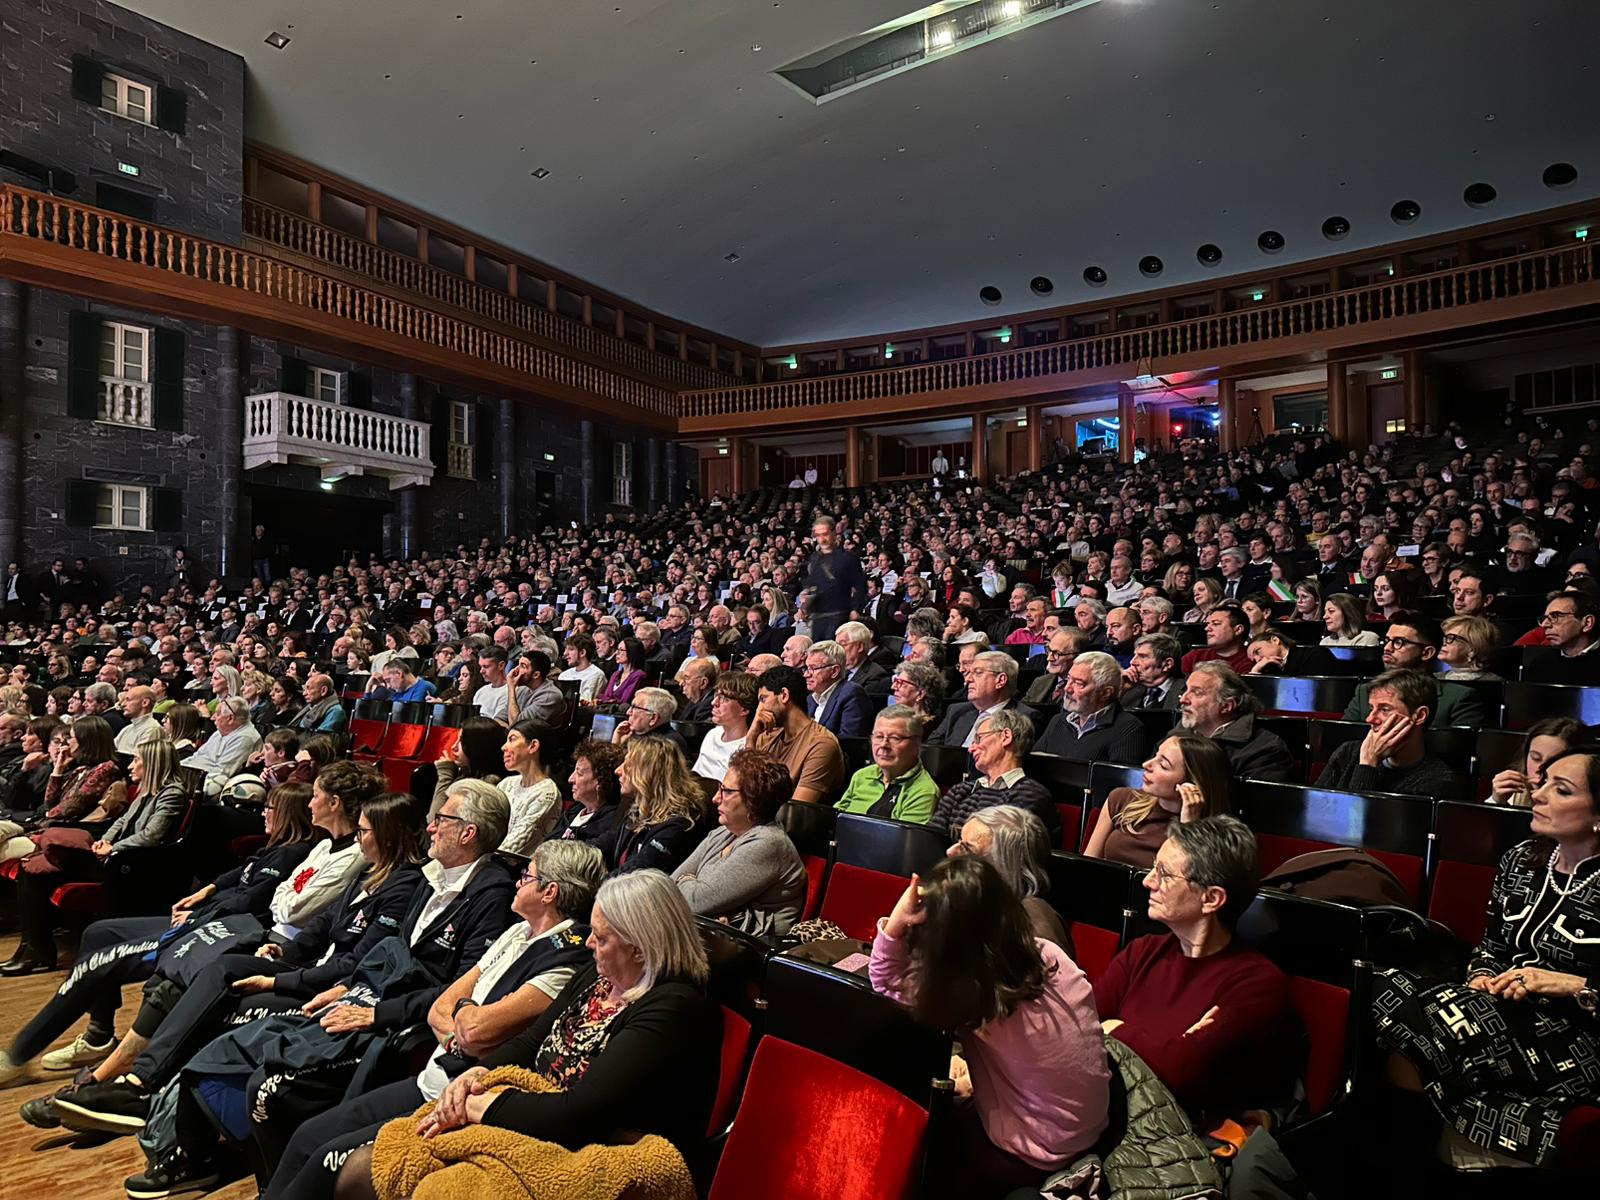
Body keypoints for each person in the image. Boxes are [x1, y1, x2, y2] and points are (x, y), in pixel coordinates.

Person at [50, 789, 422, 1139]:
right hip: (301, 962)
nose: (358, 839)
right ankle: (136, 1082)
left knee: (224, 971)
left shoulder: (402, 887)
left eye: (365, 831)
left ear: (388, 836)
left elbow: (356, 964)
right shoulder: (367, 874)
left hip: (329, 985)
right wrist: (281, 955)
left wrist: (276, 982)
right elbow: (320, 927)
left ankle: (140, 1083)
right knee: (201, 971)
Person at [327, 870, 721, 1200]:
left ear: (641, 948)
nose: (588, 944)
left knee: (414, 1185)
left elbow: (581, 1114)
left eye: (601, 938)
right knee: (362, 1168)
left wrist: (477, 1107)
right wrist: (472, 1077)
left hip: (597, 1150)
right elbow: (533, 1039)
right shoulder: (599, 975)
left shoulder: (673, 1008)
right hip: (538, 1112)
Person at [261, 840, 605, 1200]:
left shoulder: (566, 958)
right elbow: (440, 1008)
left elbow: (476, 1029)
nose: (519, 881)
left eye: (527, 875)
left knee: (325, 1165)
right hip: (431, 1076)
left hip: (457, 1102)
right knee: (308, 1136)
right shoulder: (517, 931)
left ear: (550, 891)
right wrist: (465, 1022)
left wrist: (465, 1018)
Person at [0, 782, 318, 1096]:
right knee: (99, 933)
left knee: (98, 963)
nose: (263, 813)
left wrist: (195, 916)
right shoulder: (273, 847)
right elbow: (238, 876)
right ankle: (99, 1034)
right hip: (202, 917)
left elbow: (253, 902)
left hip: (213, 930)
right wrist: (204, 892)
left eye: (270, 808)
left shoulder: (294, 854)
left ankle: (18, 1055)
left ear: (289, 814)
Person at [1371, 744, 1600, 1167]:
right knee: (1378, 982)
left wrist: (1572, 985)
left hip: (1580, 1036)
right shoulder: (1521, 861)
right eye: (1543, 781)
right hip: (1503, 1012)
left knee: (1417, 1032)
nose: (1539, 794)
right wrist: (1481, 976)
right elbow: (1491, 948)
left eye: (1562, 789)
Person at [870, 857, 1110, 1194]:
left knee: (915, 1140)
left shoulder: (974, 998)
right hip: (1091, 1126)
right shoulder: (1047, 952)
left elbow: (883, 979)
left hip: (1039, 1152)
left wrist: (896, 922)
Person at [1095, 816, 1297, 1127]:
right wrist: (1162, 1044)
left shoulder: (1255, 984)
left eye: (1164, 873)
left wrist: (1114, 1028)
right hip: (1113, 1113)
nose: (1148, 881)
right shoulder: (1143, 951)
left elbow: (1183, 1071)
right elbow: (1083, 1023)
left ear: (1212, 898)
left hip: (1177, 1140)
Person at [6, 739, 186, 977]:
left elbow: (152, 836)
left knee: (42, 866)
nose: (130, 766)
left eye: (136, 760)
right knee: (30, 872)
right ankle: (31, 948)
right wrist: (106, 841)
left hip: (133, 865)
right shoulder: (147, 791)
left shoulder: (171, 793)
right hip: (116, 856)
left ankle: (37, 951)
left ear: (153, 763)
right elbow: (121, 822)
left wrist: (112, 849)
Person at [672, 747, 806, 936]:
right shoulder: (722, 833)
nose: (715, 798)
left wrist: (688, 881)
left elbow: (694, 902)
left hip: (752, 950)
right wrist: (693, 886)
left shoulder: (769, 843)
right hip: (709, 935)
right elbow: (669, 886)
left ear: (754, 799)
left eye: (726, 792)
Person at [1083, 733, 1231, 869]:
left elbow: (1185, 884)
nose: (1146, 765)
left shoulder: (1216, 835)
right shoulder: (1121, 799)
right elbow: (1086, 866)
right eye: (1155, 755)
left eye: (1163, 765)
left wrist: (1189, 826)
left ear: (1192, 783)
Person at [1315, 669, 1463, 798]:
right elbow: (1315, 813)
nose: (1370, 719)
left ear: (1419, 716)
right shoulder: (1347, 752)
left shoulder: (1438, 782)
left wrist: (1368, 764)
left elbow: (1356, 825)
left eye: (1385, 710)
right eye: (1371, 708)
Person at [0, 716, 121, 869]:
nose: (66, 743)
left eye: (70, 737)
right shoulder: (81, 769)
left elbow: (71, 806)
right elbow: (49, 802)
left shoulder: (105, 769)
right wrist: (58, 770)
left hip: (60, 833)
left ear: (85, 740)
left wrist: (45, 815)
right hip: (41, 825)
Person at [946, 805, 1071, 951]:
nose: (950, 852)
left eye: (967, 848)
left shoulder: (1035, 925)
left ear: (1006, 868)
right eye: (959, 840)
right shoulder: (974, 902)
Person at [1341, 612, 1489, 728]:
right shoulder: (1363, 692)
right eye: (1387, 641)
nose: (1387, 648)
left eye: (1399, 642)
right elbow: (1344, 746)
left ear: (1426, 653)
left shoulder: (1459, 698)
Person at [931, 708, 1057, 840]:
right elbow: (930, 839)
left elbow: (999, 848)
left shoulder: (1031, 795)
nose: (971, 748)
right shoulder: (960, 791)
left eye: (978, 739)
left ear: (1006, 737)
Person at [1177, 662, 1296, 783]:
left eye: (1197, 692)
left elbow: (1253, 801)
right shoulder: (1178, 732)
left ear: (1226, 706)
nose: (1183, 699)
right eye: (1186, 689)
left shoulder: (1265, 751)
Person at [746, 664, 845, 804]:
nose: (759, 710)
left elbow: (797, 810)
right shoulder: (765, 736)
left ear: (784, 695)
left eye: (763, 699)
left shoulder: (821, 744)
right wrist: (751, 738)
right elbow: (744, 788)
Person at [610, 735, 709, 873]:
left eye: (628, 765)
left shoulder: (679, 824)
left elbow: (637, 871)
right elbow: (607, 842)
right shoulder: (640, 808)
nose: (618, 771)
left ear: (648, 772)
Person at [1035, 651, 1148, 764]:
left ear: (1105, 693)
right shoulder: (1058, 721)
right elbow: (1035, 764)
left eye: (1079, 683)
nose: (1067, 689)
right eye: (1069, 679)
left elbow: (1118, 779)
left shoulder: (1128, 729)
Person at [835, 705, 940, 823]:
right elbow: (835, 820)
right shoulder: (862, 776)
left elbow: (901, 840)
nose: (884, 745)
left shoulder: (923, 792)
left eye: (895, 738)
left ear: (916, 744)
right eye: (879, 737)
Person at [926, 650, 1026, 749]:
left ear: (1000, 680)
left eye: (978, 673)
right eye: (970, 673)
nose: (968, 679)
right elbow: (931, 750)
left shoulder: (1023, 718)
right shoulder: (957, 711)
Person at [497, 719, 563, 856]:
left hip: (515, 868)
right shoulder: (507, 783)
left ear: (533, 746)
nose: (504, 747)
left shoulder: (547, 792)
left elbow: (515, 844)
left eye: (512, 739)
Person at [550, 739, 627, 854]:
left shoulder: (609, 822)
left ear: (601, 780)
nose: (571, 779)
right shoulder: (574, 810)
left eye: (579, 773)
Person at [1488, 716, 1585, 807]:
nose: (1540, 769)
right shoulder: (1517, 792)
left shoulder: (1579, 804)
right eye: (1536, 758)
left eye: (1552, 762)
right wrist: (1498, 803)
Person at [182, 696, 264, 798]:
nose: (212, 717)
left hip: (204, 785)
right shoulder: (220, 732)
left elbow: (221, 774)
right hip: (189, 776)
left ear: (230, 718)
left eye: (218, 714)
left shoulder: (245, 738)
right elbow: (197, 756)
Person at [802, 515, 868, 642]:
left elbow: (860, 586)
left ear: (834, 532)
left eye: (825, 534)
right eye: (818, 535)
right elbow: (812, 584)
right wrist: (805, 597)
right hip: (817, 616)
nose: (822, 539)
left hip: (839, 614)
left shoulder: (848, 558)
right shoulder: (814, 558)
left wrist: (855, 609)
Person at [427, 714, 506, 819]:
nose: (453, 747)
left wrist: (445, 775)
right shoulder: (466, 772)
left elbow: (435, 820)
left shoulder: (489, 783)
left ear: (476, 747)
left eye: (461, 742)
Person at [1522, 588, 1600, 684]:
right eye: (1545, 618)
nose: (1545, 625)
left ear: (1587, 623)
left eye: (1555, 616)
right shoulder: (1541, 665)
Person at [690, 669, 754, 782]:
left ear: (744, 709)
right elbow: (696, 775)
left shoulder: (747, 747)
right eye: (716, 695)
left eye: (724, 698)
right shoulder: (713, 734)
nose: (714, 703)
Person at [802, 639, 872, 739]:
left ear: (834, 671)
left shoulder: (852, 694)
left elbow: (850, 741)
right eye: (807, 668)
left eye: (813, 668)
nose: (806, 675)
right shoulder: (810, 698)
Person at [1180, 605, 1253, 676]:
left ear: (1238, 630)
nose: (1207, 628)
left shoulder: (1252, 659)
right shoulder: (1194, 657)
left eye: (1215, 624)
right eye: (1208, 624)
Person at [1121, 632, 1183, 710]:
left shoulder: (1186, 691)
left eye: (1143, 657)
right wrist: (1122, 690)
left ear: (1167, 664)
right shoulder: (1129, 689)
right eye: (1134, 656)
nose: (1132, 662)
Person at [1438, 614, 1503, 681]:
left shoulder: (1495, 683)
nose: (1444, 643)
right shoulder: (1434, 678)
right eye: (1445, 637)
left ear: (1473, 648)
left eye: (1451, 638)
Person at [557, 632, 606, 703]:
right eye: (565, 649)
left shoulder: (596, 674)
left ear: (582, 652)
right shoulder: (564, 675)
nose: (565, 653)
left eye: (571, 649)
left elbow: (585, 702)